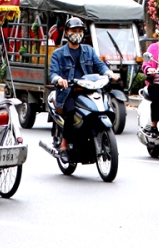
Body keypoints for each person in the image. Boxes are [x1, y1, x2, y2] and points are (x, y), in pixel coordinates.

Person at [48, 17, 116, 163]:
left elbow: (100, 65)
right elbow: (52, 73)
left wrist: (109, 73)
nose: (77, 34)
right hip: (69, 93)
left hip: (89, 90)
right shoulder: (58, 54)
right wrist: (60, 79)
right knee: (71, 112)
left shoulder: (89, 50)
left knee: (104, 106)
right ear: (66, 33)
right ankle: (64, 146)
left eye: (79, 31)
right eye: (73, 31)